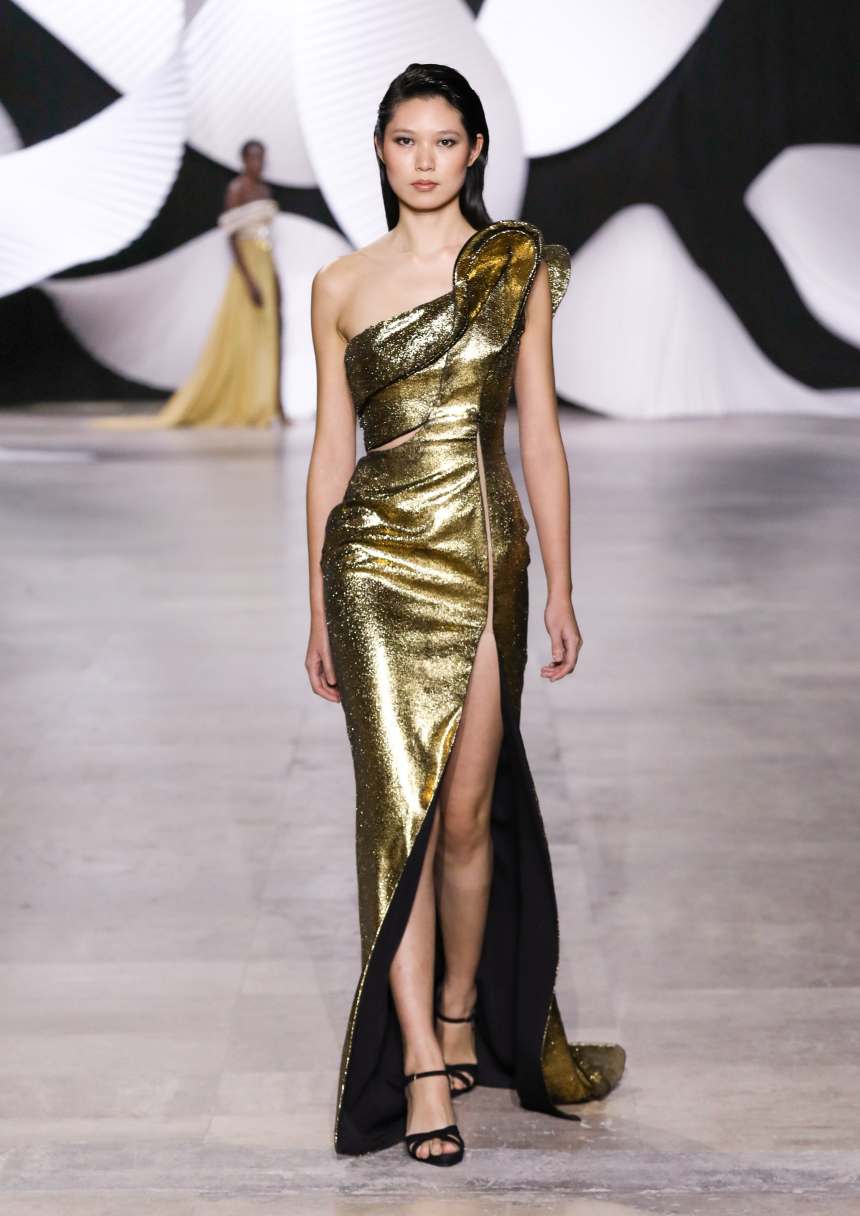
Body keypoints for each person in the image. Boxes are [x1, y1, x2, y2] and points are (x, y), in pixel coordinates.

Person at [305, 63, 624, 1166]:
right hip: (373, 569)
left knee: (468, 814)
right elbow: (328, 452)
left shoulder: (510, 267)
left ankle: (455, 1018)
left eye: (445, 140)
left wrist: (563, 586)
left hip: (484, 559)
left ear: (475, 149)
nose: (425, 160)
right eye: (406, 140)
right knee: (397, 818)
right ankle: (416, 1071)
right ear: (380, 150)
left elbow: (540, 435)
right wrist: (316, 601)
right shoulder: (338, 283)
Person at [99, 140, 283, 428]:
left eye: (262, 157)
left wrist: (273, 276)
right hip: (247, 265)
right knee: (241, 334)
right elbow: (232, 237)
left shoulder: (265, 190)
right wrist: (248, 279)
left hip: (265, 261)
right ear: (243, 160)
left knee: (268, 333)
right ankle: (241, 401)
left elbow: (267, 236)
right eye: (253, 157)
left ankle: (269, 404)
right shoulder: (237, 189)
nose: (258, 163)